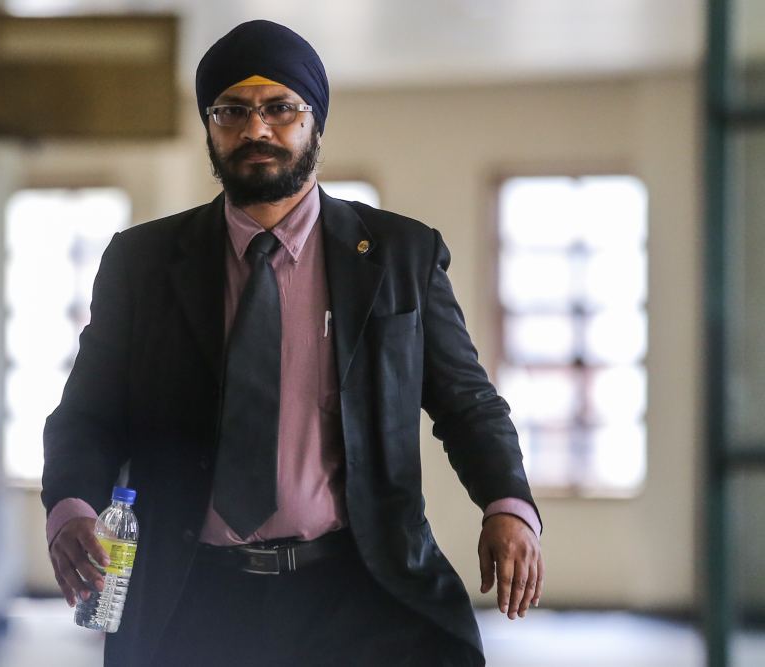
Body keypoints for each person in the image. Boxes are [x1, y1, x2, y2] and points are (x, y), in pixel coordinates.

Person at [42, 20, 543, 667]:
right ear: (210, 128)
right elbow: (89, 413)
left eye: (280, 108)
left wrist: (508, 503)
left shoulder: (400, 256)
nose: (257, 129)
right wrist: (71, 505)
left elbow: (466, 400)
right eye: (232, 111)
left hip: (360, 589)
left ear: (315, 124)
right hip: (192, 595)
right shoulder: (144, 263)